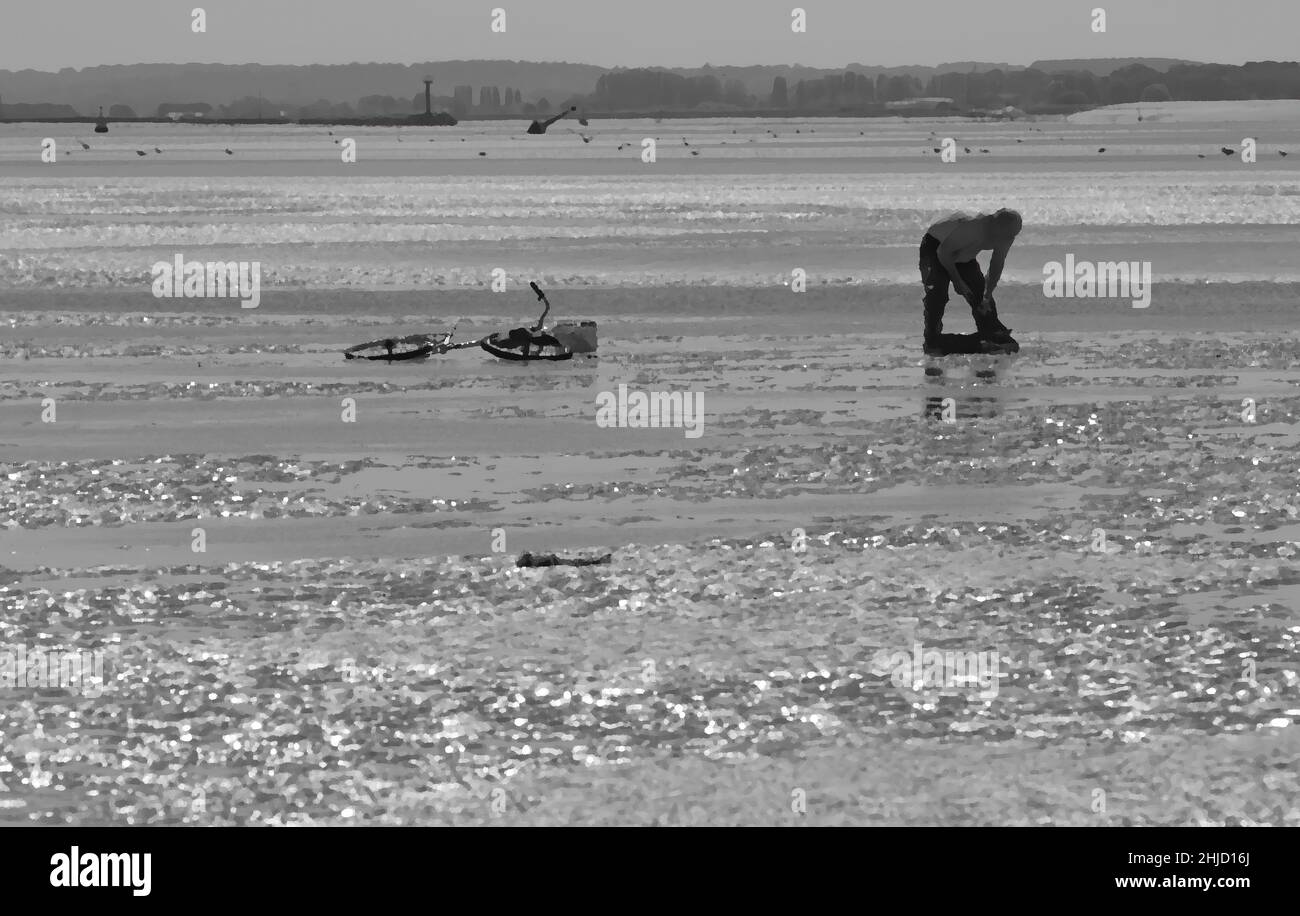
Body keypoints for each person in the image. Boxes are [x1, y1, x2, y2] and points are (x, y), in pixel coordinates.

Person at [919, 209, 1021, 355]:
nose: (1007, 239)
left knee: (981, 297)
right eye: (1005, 234)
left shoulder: (1007, 236)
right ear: (994, 226)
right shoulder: (974, 229)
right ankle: (933, 341)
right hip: (936, 247)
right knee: (937, 296)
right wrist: (957, 280)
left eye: (1012, 235)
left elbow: (996, 264)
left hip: (964, 253)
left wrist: (987, 294)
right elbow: (943, 253)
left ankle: (991, 334)